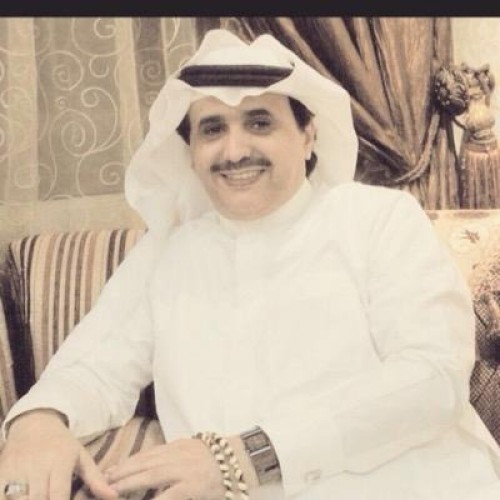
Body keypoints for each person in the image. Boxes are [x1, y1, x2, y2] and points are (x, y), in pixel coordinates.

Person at [1, 28, 500, 500]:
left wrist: (244, 456)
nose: (235, 150)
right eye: (212, 129)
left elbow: (432, 378)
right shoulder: (170, 251)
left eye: (260, 123)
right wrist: (39, 421)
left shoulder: (377, 219)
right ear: (192, 153)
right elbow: (95, 365)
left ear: (308, 135)